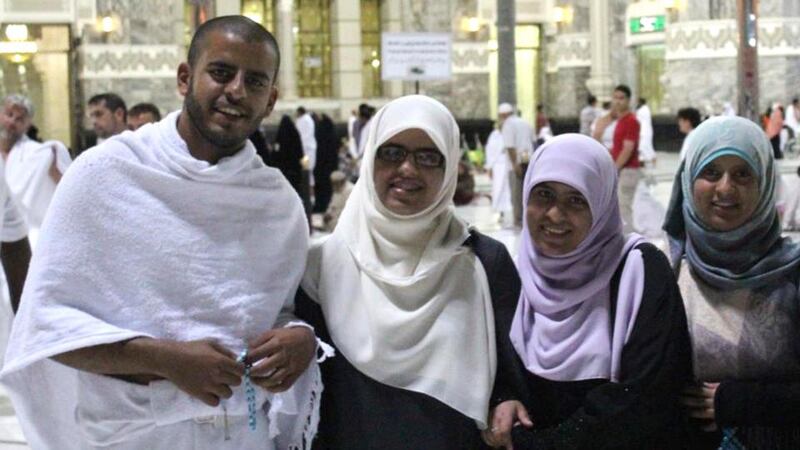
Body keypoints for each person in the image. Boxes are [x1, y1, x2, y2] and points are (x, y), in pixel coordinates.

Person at [1, 16, 322, 450]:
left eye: (255, 81)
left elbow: (274, 312)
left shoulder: (277, 202)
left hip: (242, 436)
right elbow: (44, 324)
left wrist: (300, 339)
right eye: (221, 72)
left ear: (270, 101)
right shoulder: (105, 174)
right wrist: (164, 359)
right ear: (185, 78)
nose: (236, 91)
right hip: (131, 436)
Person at [296, 95, 519, 449]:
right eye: (391, 152)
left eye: (428, 157)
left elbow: (511, 374)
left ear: (450, 167)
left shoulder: (483, 262)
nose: (408, 169)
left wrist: (507, 401)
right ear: (370, 158)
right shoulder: (321, 267)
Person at [483, 134, 690, 450]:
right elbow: (501, 372)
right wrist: (503, 398)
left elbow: (646, 398)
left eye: (577, 199)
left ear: (601, 203)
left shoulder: (639, 270)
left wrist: (537, 445)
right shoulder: (516, 273)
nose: (555, 214)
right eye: (544, 194)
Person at [663, 116, 800, 449]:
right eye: (711, 172)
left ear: (765, 183)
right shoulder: (663, 272)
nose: (725, 188)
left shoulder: (792, 274)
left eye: (742, 174)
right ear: (688, 178)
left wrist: (742, 402)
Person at [0, 94, 72, 246]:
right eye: (9, 114)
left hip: (26, 234)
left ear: (28, 125)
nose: (12, 122)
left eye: (19, 119)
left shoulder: (39, 155)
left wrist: (55, 169)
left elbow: (69, 191)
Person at [594, 85, 640, 234]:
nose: (618, 101)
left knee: (623, 208)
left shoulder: (631, 121)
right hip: (620, 169)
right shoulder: (619, 121)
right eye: (615, 98)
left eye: (621, 98)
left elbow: (628, 149)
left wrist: (614, 169)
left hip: (627, 170)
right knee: (618, 208)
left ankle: (628, 240)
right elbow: (616, 148)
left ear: (628, 100)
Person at [499, 102, 534, 228]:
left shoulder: (508, 124)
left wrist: (515, 164)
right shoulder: (525, 122)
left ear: (503, 115)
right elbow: (532, 141)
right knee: (527, 191)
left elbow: (510, 146)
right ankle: (528, 219)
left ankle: (518, 220)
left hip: (517, 163)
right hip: (529, 160)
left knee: (516, 193)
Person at [484, 122, 512, 224]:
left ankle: (510, 214)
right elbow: (489, 152)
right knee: (498, 189)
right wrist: (489, 167)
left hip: (507, 165)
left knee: (508, 190)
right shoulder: (494, 136)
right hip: (497, 166)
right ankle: (500, 213)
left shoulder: (509, 134)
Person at [313, 114, 339, 213]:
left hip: (321, 167)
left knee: (321, 188)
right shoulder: (332, 135)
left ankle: (321, 206)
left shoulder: (319, 135)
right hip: (330, 167)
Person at [296, 106, 317, 173]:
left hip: (306, 146)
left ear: (300, 112)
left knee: (307, 166)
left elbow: (301, 133)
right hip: (308, 145)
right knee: (308, 166)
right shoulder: (307, 119)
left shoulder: (303, 120)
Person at [636, 97, 655, 167]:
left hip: (644, 131)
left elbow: (637, 120)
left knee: (644, 146)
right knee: (644, 147)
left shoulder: (642, 110)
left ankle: (652, 159)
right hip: (645, 131)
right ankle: (642, 162)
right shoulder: (646, 109)